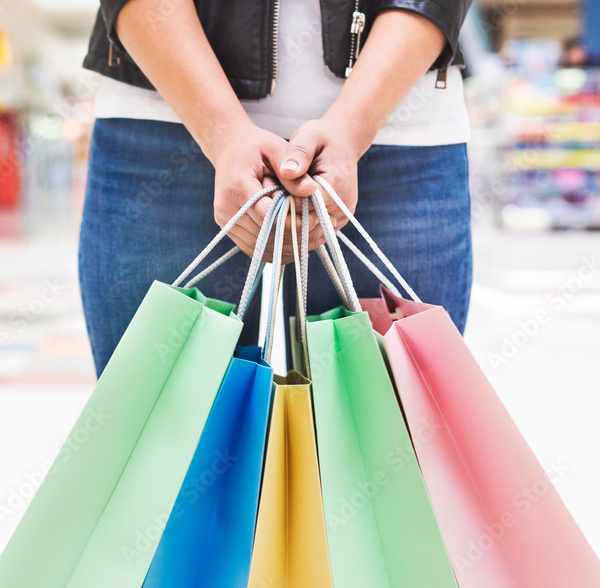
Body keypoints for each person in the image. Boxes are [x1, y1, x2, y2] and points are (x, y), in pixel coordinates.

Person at [78, 0, 475, 375]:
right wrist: (222, 132)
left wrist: (354, 126)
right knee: (163, 435)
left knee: (396, 437)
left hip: (398, 122)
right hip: (167, 113)